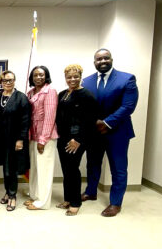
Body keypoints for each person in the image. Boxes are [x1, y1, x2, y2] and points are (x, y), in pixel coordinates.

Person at [81, 48, 139, 217]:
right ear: (94, 62)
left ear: (111, 59)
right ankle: (91, 191)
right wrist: (94, 123)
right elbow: (85, 107)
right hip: (94, 132)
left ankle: (115, 202)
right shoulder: (86, 81)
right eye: (99, 59)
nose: (103, 61)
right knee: (92, 164)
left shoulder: (127, 78)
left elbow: (128, 106)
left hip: (118, 132)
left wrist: (107, 122)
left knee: (118, 168)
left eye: (106, 58)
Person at [56, 64, 98, 216]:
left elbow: (90, 120)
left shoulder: (87, 95)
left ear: (81, 77)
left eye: (76, 76)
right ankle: (68, 198)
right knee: (66, 170)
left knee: (73, 170)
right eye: (69, 77)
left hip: (77, 139)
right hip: (63, 138)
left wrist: (78, 139)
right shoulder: (62, 94)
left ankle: (75, 203)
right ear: (65, 78)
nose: (72, 79)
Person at [0, 70, 30, 211]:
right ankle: (7, 191)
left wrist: (20, 140)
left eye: (10, 80)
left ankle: (12, 196)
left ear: (14, 81)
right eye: (5, 80)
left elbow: (25, 121)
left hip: (14, 139)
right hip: (0, 139)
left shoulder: (21, 97)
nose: (7, 83)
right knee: (5, 168)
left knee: (12, 168)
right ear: (1, 82)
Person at [25, 65, 58, 210]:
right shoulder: (30, 92)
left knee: (44, 170)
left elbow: (50, 118)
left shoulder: (50, 91)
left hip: (46, 137)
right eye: (35, 75)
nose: (38, 77)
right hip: (33, 135)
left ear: (46, 76)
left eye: (41, 75)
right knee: (35, 169)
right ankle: (35, 196)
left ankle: (43, 203)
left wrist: (43, 140)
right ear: (31, 77)